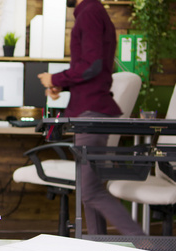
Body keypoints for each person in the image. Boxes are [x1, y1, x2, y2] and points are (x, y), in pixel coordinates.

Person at [37, 0, 145, 236]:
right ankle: (98, 248)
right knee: (89, 191)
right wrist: (63, 86)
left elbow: (93, 65)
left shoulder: (90, 13)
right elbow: (93, 71)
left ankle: (149, 248)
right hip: (90, 109)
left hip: (92, 113)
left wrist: (56, 78)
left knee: (91, 191)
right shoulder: (91, 12)